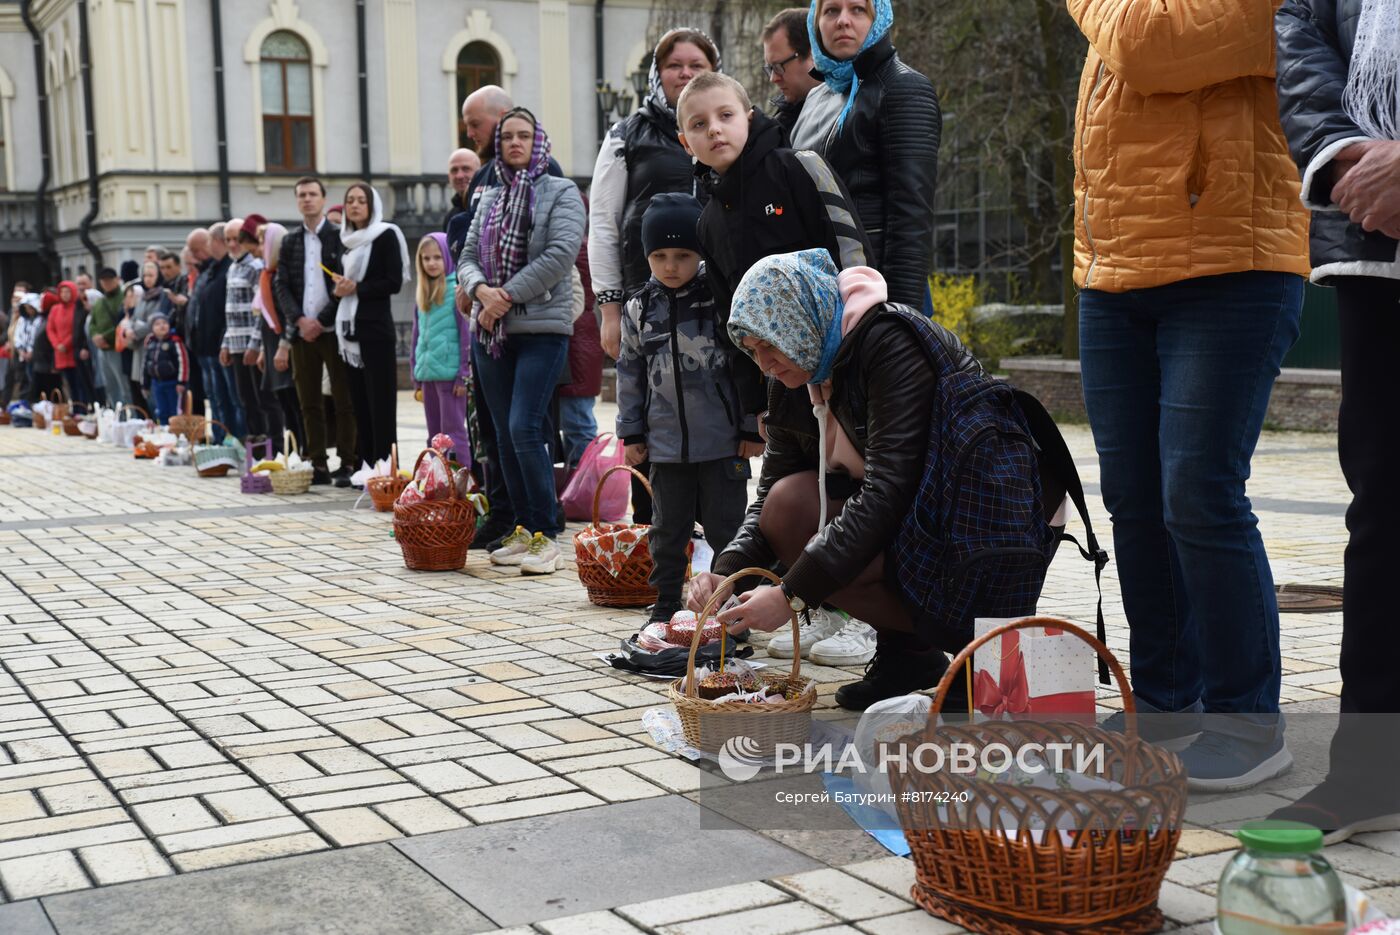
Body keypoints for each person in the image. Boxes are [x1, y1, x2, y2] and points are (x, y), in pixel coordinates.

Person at [1067, 0, 1310, 791]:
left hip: (1232, 263)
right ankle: (1170, 698)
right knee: (1135, 499)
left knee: (1198, 493)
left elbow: (1147, 44)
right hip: (1115, 269)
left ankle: (1249, 720)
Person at [691, 250, 1022, 711]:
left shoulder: (889, 344)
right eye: (752, 351)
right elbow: (771, 491)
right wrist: (726, 573)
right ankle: (909, 655)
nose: (764, 364)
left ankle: (976, 655)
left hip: (982, 519)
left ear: (797, 322)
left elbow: (889, 492)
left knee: (834, 520)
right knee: (786, 504)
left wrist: (792, 595)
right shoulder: (796, 372)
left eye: (770, 344)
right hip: (919, 516)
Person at [1268, 0, 1400, 840]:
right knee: (1384, 514)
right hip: (1374, 237)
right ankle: (1370, 769)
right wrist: (1352, 155)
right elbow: (1301, 37)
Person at [590, 28, 722, 526]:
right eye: (674, 65)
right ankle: (655, 548)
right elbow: (602, 223)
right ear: (657, 72)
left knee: (713, 414)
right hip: (645, 301)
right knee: (648, 419)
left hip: (711, 301)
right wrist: (608, 307)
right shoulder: (628, 134)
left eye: (696, 64)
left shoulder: (725, 129)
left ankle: (713, 551)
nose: (685, 74)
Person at [460, 108, 585, 573]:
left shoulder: (562, 191)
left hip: (541, 329)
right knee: (503, 437)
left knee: (524, 428)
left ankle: (546, 534)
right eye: (508, 136)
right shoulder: (489, 197)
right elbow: (467, 255)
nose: (516, 143)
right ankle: (522, 530)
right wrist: (479, 291)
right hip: (492, 332)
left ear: (539, 142)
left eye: (524, 136)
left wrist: (505, 296)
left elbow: (560, 255)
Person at [617, 194, 749, 623]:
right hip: (665, 446)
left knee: (728, 530)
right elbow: (629, 372)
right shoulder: (639, 308)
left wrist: (750, 425)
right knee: (667, 530)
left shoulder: (718, 300)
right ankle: (666, 603)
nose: (670, 266)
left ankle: (731, 606)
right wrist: (632, 432)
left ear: (701, 253)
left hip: (723, 443)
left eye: (683, 255)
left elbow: (745, 364)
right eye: (659, 256)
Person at [789, 0, 940, 309]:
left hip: (875, 293)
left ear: (879, 19)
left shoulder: (903, 88)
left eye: (858, 9)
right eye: (831, 11)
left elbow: (910, 218)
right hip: (820, 288)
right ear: (815, 23)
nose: (843, 21)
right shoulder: (817, 96)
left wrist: (900, 321)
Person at [273, 176, 356, 486]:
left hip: (333, 328)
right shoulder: (290, 241)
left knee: (343, 397)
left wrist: (320, 319)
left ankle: (347, 461)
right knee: (308, 400)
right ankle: (317, 461)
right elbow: (281, 284)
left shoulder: (339, 236)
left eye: (312, 194)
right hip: (301, 332)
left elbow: (343, 283)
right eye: (301, 195)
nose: (307, 199)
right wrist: (300, 320)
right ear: (297, 201)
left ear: (322, 199)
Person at [334, 182, 410, 471]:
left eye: (360, 201)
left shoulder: (385, 234)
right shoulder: (346, 239)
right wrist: (342, 289)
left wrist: (357, 288)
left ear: (371, 205)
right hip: (350, 332)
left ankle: (385, 467)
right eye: (349, 200)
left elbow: (392, 282)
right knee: (360, 404)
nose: (354, 206)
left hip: (376, 330)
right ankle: (366, 468)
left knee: (381, 404)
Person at [410, 233, 472, 464]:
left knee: (453, 434)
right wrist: (416, 374)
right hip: (428, 376)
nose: (431, 263)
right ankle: (438, 483)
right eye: (426, 258)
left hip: (450, 377)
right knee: (434, 436)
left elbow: (466, 334)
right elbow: (417, 336)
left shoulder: (457, 289)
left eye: (437, 257)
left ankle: (461, 484)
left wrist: (463, 375)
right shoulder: (423, 292)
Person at [223, 217, 283, 447]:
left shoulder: (255, 266)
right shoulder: (233, 267)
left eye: (236, 238)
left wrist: (254, 344)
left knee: (263, 399)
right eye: (227, 239)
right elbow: (230, 310)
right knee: (246, 398)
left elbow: (261, 310)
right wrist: (226, 343)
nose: (232, 244)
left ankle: (272, 444)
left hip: (253, 343)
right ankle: (256, 442)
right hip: (237, 342)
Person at [251, 221, 306, 453]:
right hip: (272, 346)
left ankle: (302, 450)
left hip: (286, 346)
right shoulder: (267, 275)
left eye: (264, 241)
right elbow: (266, 317)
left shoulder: (280, 277)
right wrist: (265, 349)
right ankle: (292, 453)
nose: (260, 246)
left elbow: (289, 316)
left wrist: (283, 345)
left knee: (295, 404)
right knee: (285, 404)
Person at [191, 222, 242, 442]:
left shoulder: (229, 268)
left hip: (222, 345)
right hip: (206, 347)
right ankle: (223, 441)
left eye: (210, 240)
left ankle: (238, 441)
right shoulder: (212, 270)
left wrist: (224, 341)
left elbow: (227, 312)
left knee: (233, 399)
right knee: (217, 398)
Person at [559, 238, 601, 469]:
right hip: (580, 338)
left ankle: (586, 488)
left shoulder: (576, 245)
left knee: (578, 423)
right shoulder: (583, 244)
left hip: (576, 341)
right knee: (577, 423)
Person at [762, 8, 822, 136]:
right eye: (770, 68)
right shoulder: (785, 118)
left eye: (778, 66)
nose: (773, 78)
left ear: (813, 54)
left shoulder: (846, 112)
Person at [122, 262, 171, 412]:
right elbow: (133, 318)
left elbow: (155, 321)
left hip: (153, 349)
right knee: (141, 391)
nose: (148, 279)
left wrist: (135, 329)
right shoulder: (142, 297)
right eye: (145, 275)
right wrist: (131, 328)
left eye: (151, 275)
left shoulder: (162, 295)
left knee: (154, 394)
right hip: (139, 349)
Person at [88, 268, 130, 408]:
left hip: (117, 348)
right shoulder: (100, 302)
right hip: (102, 350)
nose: (107, 283)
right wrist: (94, 336)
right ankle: (115, 414)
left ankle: (128, 416)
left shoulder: (123, 297)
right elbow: (92, 322)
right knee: (110, 386)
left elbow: (123, 322)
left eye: (109, 280)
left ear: (116, 280)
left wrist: (105, 337)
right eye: (104, 281)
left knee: (123, 386)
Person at [46, 281, 89, 405]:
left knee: (79, 382)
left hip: (72, 350)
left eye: (68, 292)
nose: (65, 295)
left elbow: (76, 328)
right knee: (69, 383)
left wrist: (66, 343)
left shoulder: (76, 308)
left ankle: (82, 406)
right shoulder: (55, 309)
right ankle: (74, 407)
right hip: (60, 353)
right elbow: (50, 328)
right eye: (63, 292)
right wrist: (57, 344)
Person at [142, 312, 189, 424]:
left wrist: (181, 382)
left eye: (164, 323)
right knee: (161, 411)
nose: (162, 326)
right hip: (156, 383)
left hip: (172, 383)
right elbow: (145, 365)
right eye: (157, 324)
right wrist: (145, 384)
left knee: (175, 411)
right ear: (152, 328)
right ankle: (164, 432)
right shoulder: (151, 344)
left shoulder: (175, 341)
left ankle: (176, 433)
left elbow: (183, 362)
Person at [444, 148, 482, 234]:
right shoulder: (450, 217)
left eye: (466, 169)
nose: (459, 176)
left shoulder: (489, 207)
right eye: (454, 170)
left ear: (480, 172)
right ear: (449, 176)